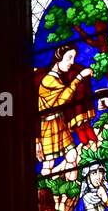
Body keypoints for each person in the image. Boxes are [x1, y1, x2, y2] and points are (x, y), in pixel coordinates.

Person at [36, 45, 96, 176]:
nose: (72, 62)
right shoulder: (49, 80)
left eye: (73, 58)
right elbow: (63, 98)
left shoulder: (58, 78)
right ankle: (48, 192)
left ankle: (71, 189)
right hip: (48, 127)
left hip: (59, 122)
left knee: (72, 156)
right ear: (58, 58)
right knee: (48, 163)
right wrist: (79, 77)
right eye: (69, 58)